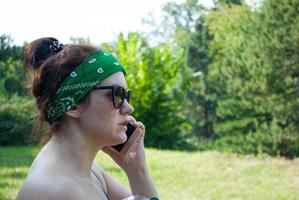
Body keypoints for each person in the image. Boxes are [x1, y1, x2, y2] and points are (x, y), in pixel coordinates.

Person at [16, 37, 159, 200]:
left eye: (126, 95)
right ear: (72, 105)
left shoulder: (90, 173)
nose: (128, 108)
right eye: (117, 95)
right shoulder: (57, 190)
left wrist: (137, 169)